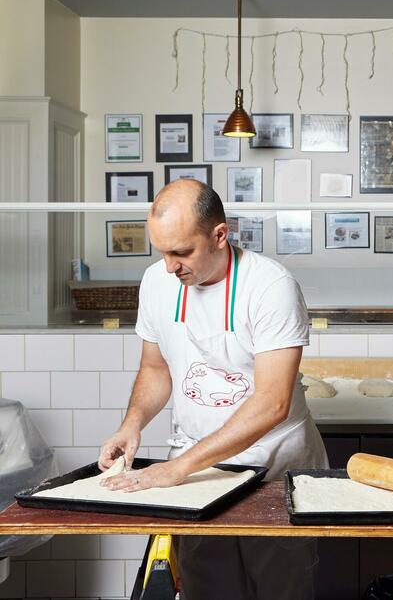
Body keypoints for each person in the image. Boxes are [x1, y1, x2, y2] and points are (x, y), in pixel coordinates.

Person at [98, 179, 328, 600]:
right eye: (162, 252)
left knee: (280, 590)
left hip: (272, 467)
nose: (170, 266)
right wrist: (132, 424)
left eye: (182, 252)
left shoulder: (270, 286)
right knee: (207, 587)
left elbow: (273, 402)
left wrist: (178, 467)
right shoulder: (157, 282)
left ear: (220, 235)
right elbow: (156, 369)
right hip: (197, 476)